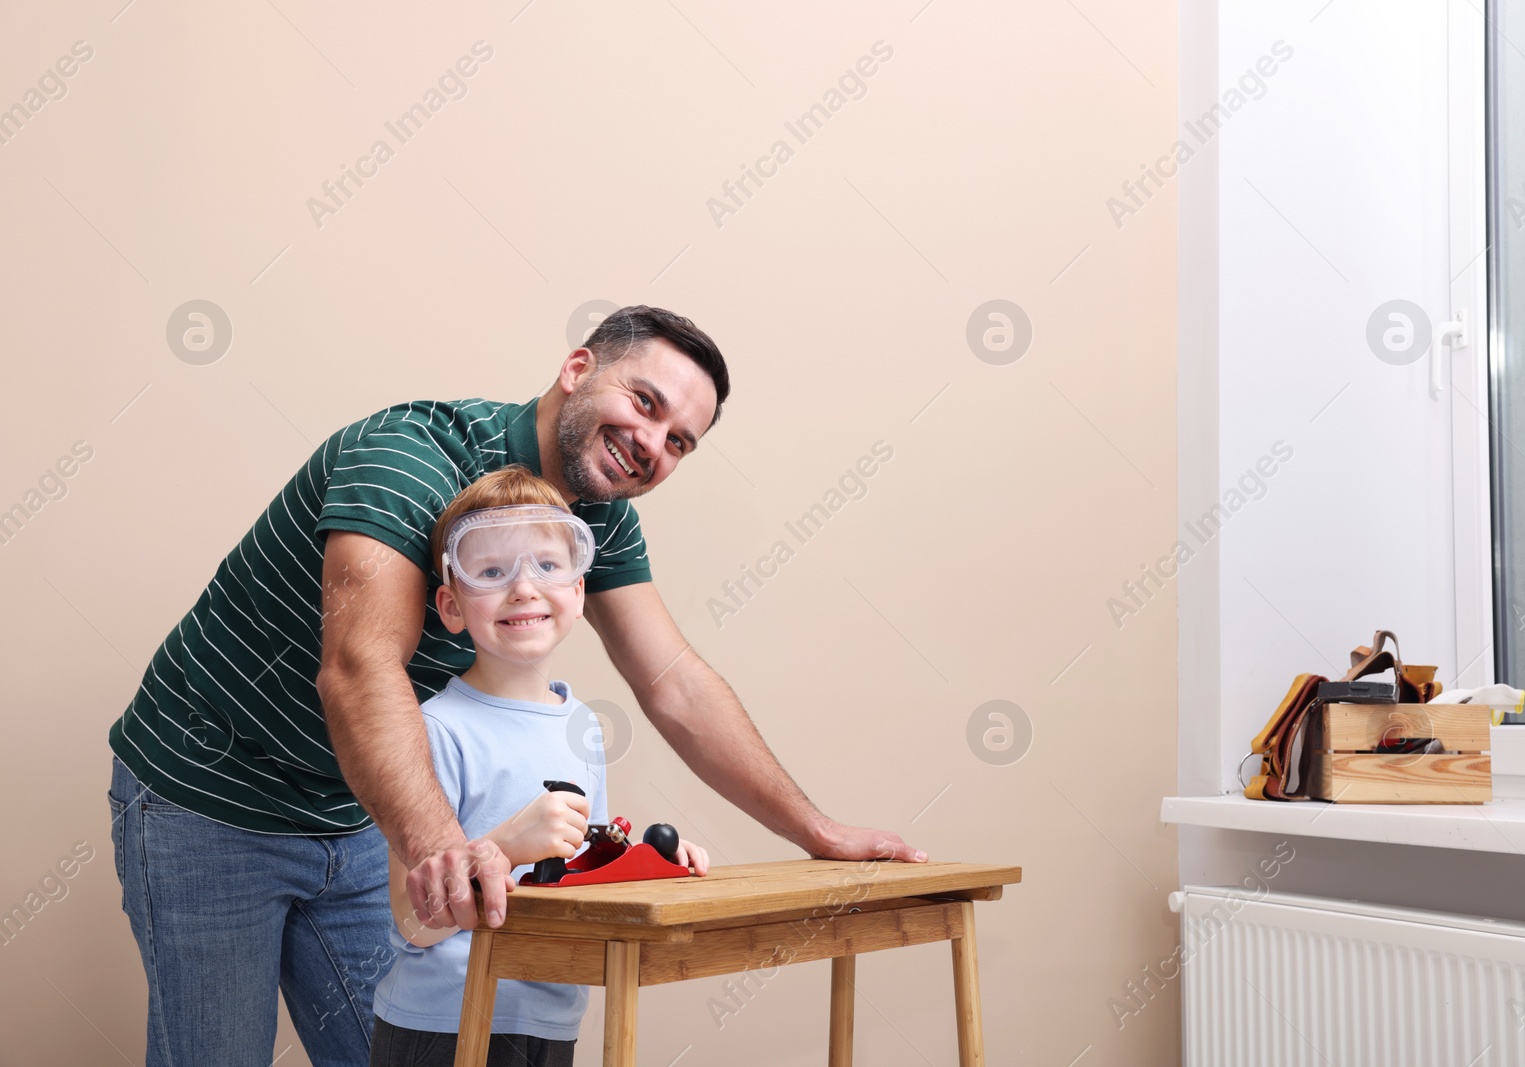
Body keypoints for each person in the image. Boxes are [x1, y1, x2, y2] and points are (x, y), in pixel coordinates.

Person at [107, 305, 923, 1067]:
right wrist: (443, 852)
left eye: (679, 441)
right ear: (576, 368)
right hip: (207, 796)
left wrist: (815, 830)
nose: (651, 442)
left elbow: (673, 681)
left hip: (356, 809)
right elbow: (360, 671)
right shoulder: (411, 456)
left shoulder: (596, 517)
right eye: (644, 402)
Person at [370, 466, 709, 1067]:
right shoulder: (433, 731)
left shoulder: (583, 727)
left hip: (551, 1014)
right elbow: (411, 923)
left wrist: (651, 860)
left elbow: (584, 874)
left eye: (548, 566)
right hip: (444, 1023)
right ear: (451, 606)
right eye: (492, 571)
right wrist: (501, 846)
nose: (523, 588)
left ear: (578, 592)